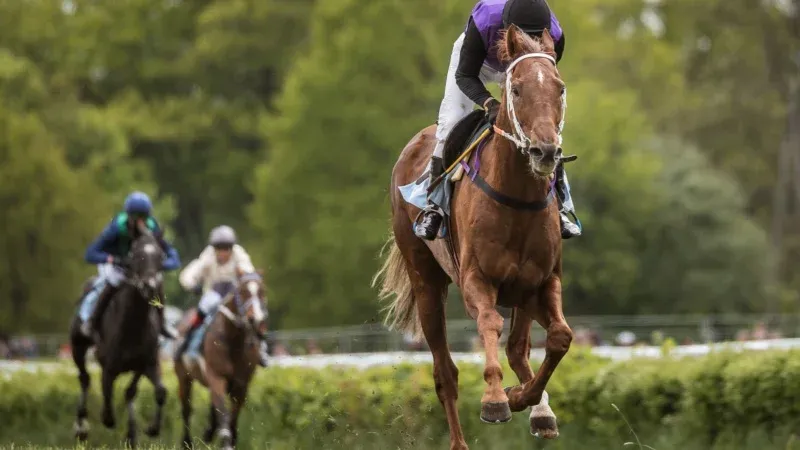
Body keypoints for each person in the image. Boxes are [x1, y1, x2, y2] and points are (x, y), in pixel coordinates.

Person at [414, 0, 582, 241]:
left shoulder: (555, 35)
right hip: (476, 64)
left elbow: (546, 86)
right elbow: (465, 74)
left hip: (523, 69)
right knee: (451, 120)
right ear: (507, 29)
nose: (530, 42)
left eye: (536, 37)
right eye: (524, 37)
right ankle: (434, 206)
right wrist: (489, 103)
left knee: (545, 127)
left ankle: (562, 204)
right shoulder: (485, 20)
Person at [79, 191, 182, 339]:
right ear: (128, 216)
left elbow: (173, 256)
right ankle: (92, 322)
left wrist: (160, 264)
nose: (140, 222)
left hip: (141, 269)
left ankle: (162, 323)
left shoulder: (153, 228)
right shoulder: (116, 228)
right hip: (118, 266)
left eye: (143, 217)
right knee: (113, 281)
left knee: (156, 283)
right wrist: (112, 259)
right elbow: (91, 253)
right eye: (135, 217)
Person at [176, 225, 270, 367]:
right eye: (219, 248)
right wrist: (192, 285)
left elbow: (248, 273)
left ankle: (261, 349)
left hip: (233, 295)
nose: (223, 252)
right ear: (214, 249)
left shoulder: (239, 255)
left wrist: (246, 277)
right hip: (213, 292)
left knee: (255, 313)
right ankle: (188, 345)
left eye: (226, 248)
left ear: (232, 248)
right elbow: (189, 274)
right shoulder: (208, 256)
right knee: (206, 307)